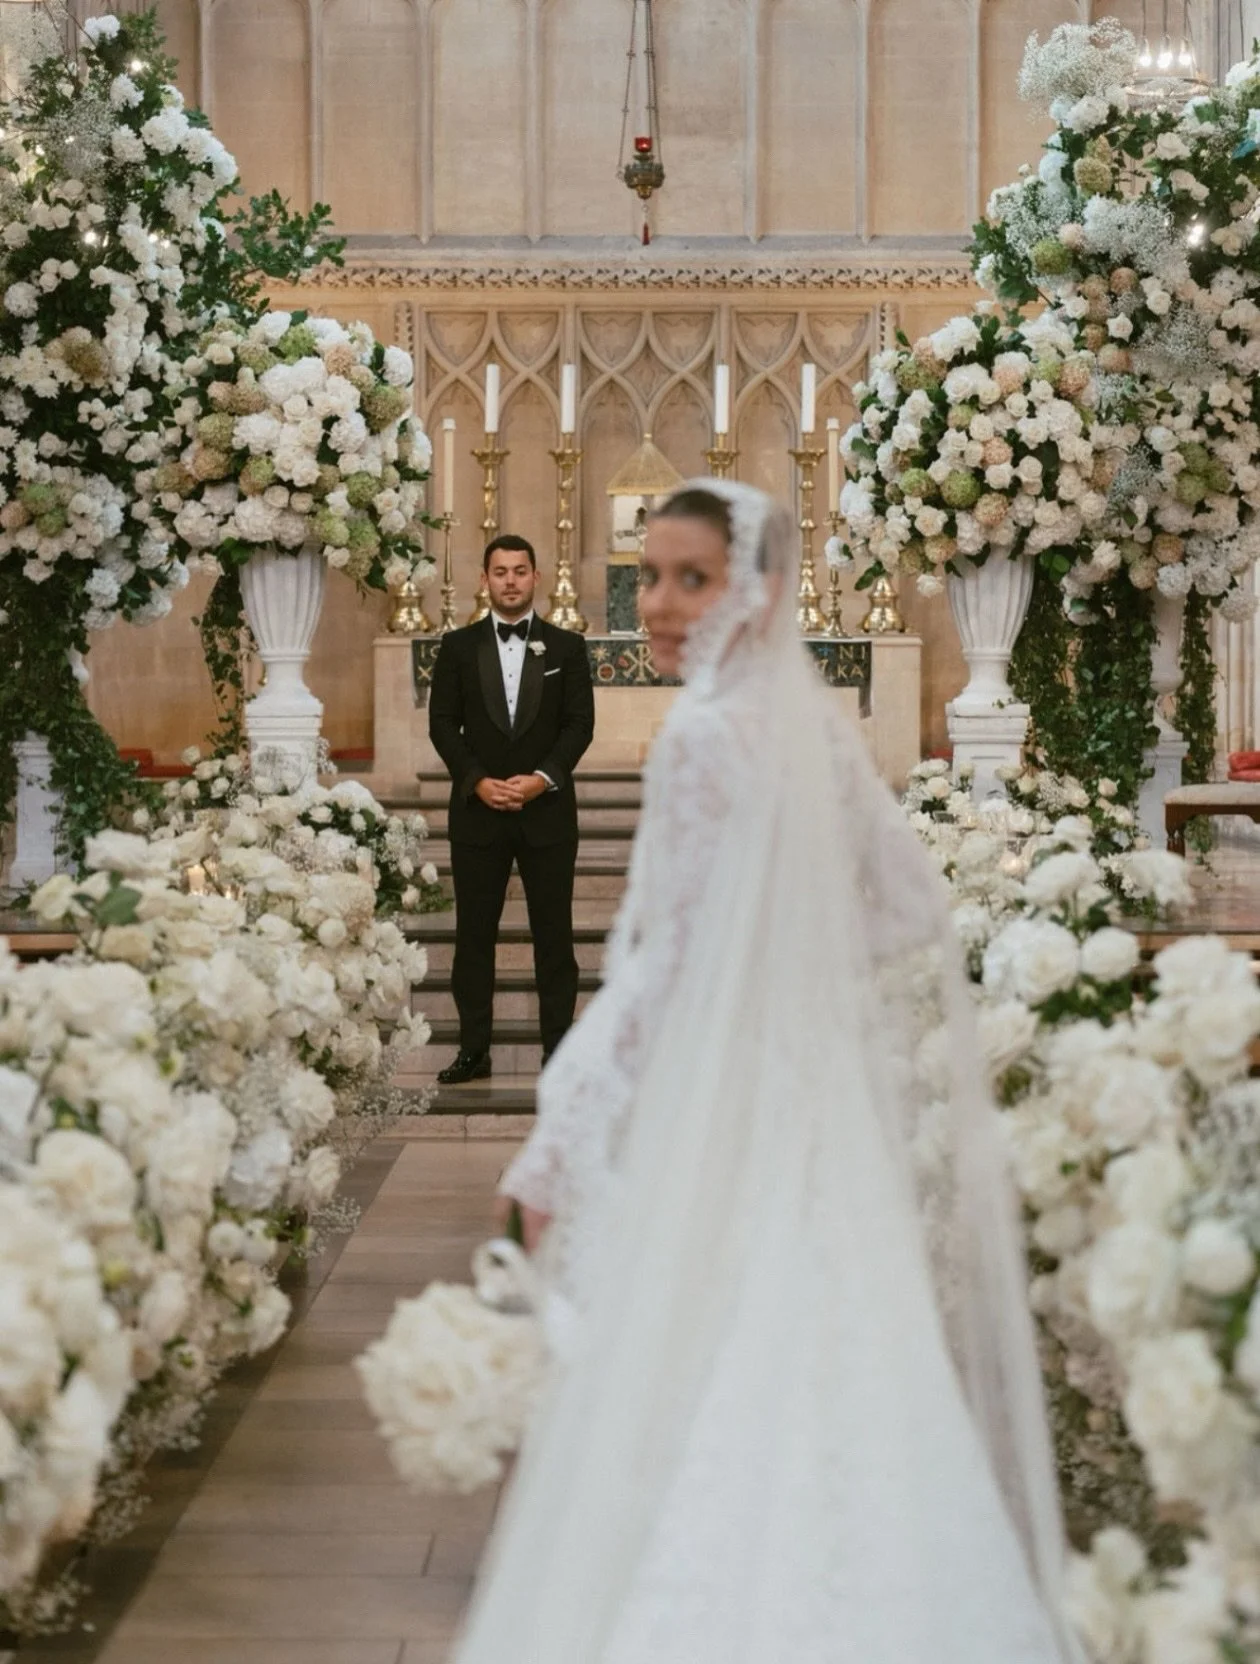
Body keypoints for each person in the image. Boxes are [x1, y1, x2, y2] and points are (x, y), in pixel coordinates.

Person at [451, 482, 1080, 1664]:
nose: (660, 604)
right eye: (649, 575)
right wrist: (795, 981)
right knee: (836, 1358)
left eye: (693, 577)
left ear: (765, 589)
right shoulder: (819, 733)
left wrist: (561, 1134)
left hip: (721, 1114)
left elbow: (658, 976)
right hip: (810, 1109)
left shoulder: (699, 734)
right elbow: (907, 909)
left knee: (702, 1368)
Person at [428, 534, 594, 1086]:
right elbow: (442, 725)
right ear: (484, 579)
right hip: (478, 816)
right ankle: (473, 1050)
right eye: (500, 572)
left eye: (520, 571)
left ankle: (560, 1050)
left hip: (545, 813)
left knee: (555, 938)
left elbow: (578, 726)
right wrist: (476, 782)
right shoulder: (456, 647)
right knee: (474, 937)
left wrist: (540, 780)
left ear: (536, 577)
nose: (510, 581)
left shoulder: (567, 648)